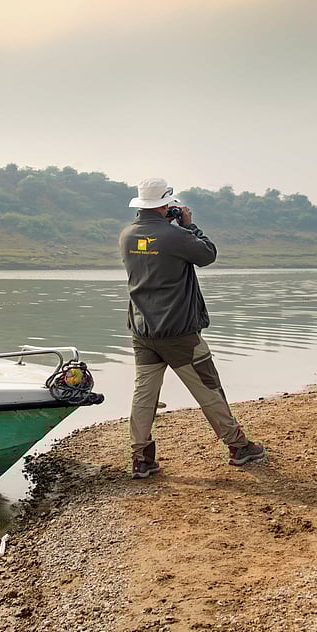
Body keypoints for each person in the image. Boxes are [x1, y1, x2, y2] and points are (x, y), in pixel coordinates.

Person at [119, 177, 266, 479]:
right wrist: (188, 225)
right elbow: (208, 254)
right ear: (164, 204)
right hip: (179, 332)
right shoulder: (174, 236)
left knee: (144, 394)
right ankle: (239, 447)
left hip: (142, 330)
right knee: (208, 388)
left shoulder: (127, 236)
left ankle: (141, 460)